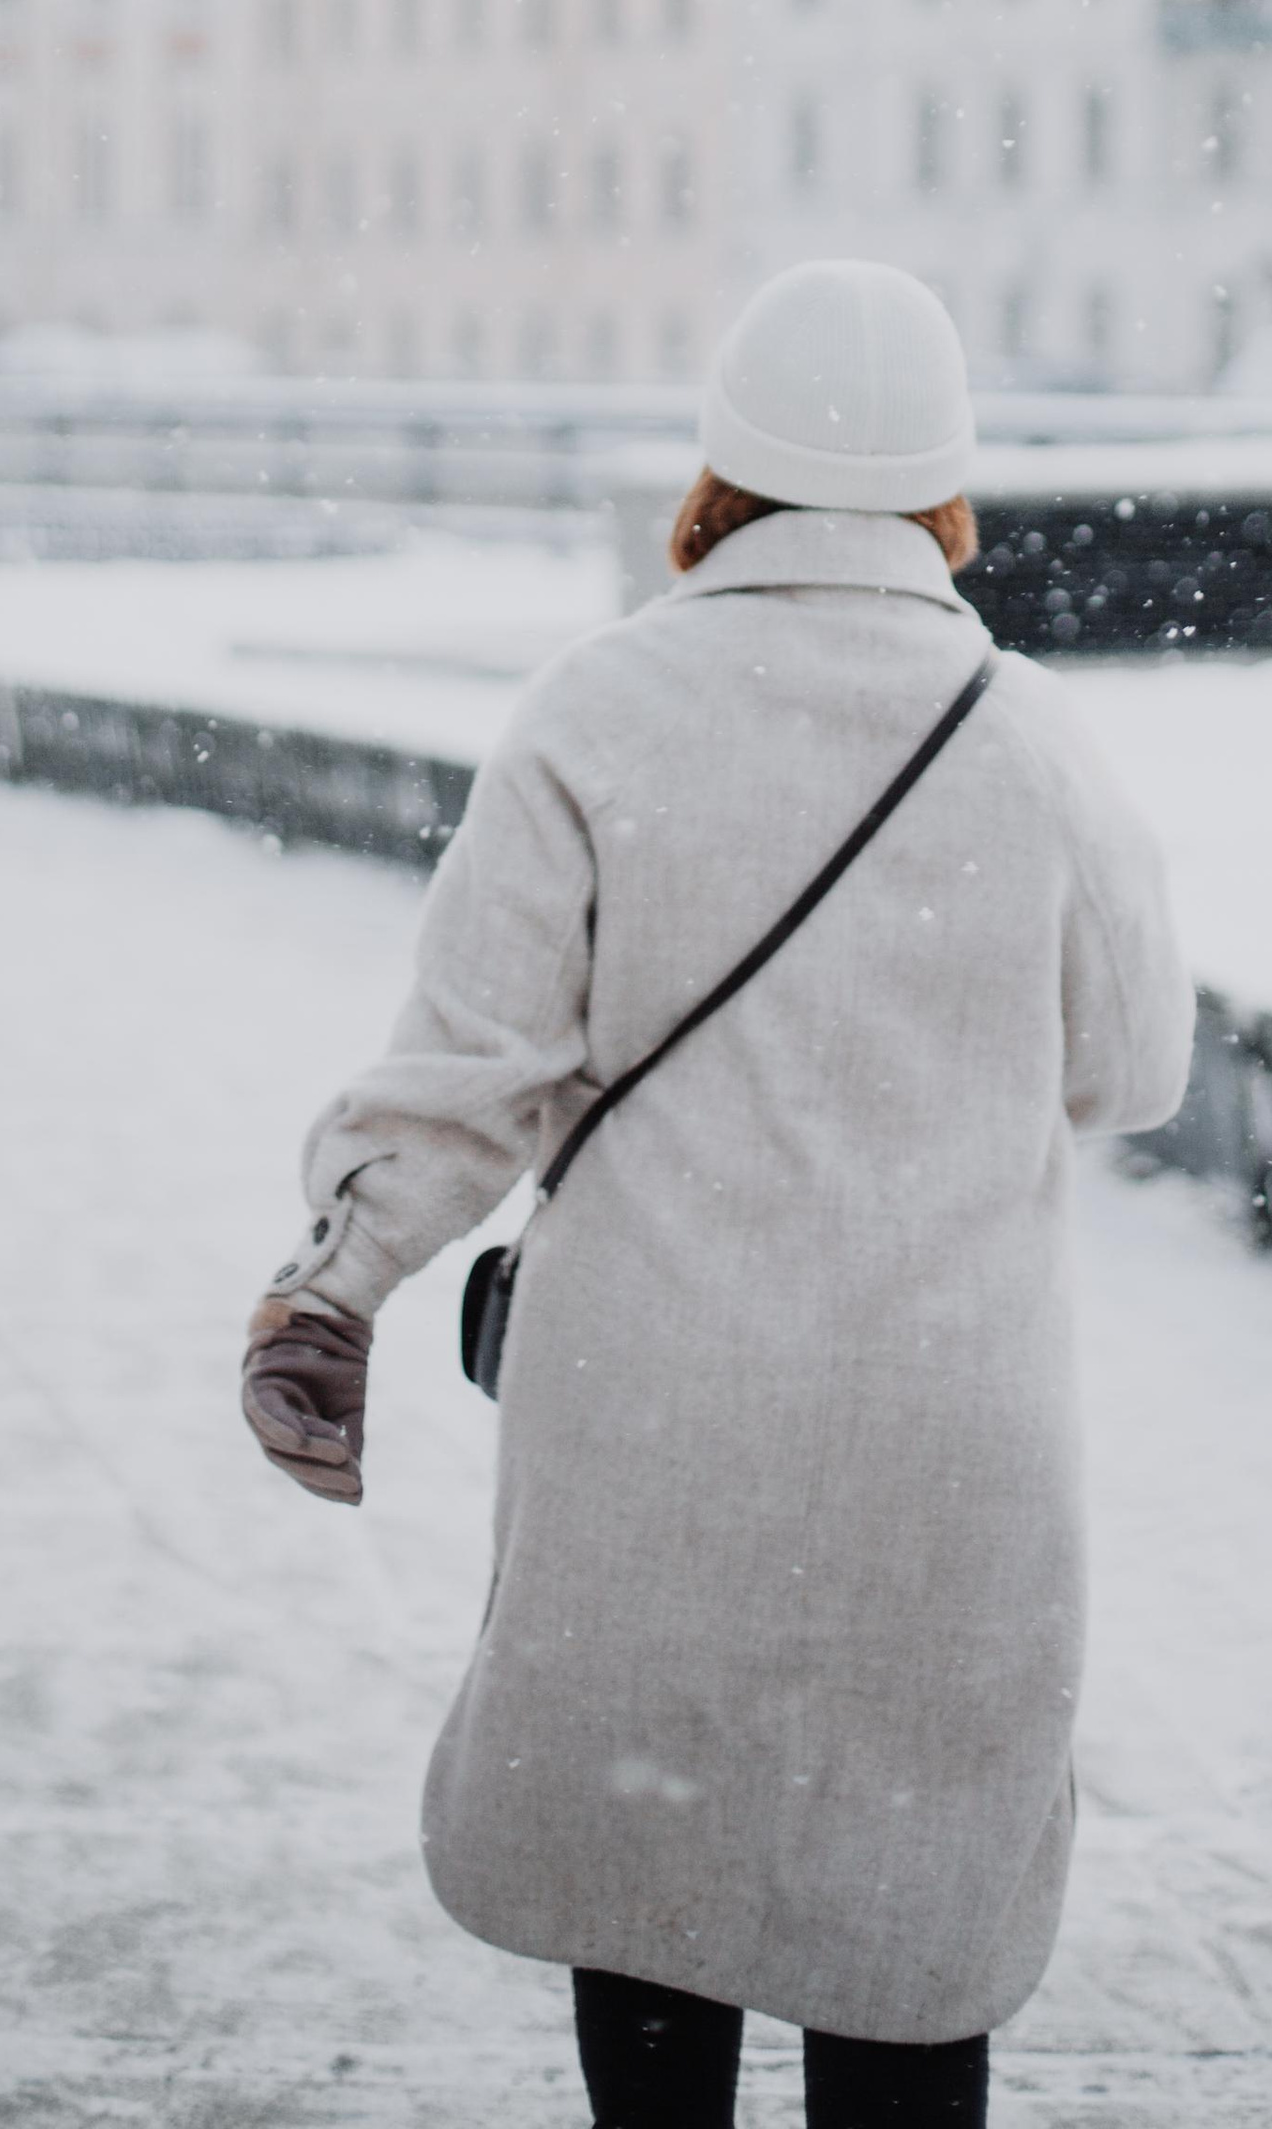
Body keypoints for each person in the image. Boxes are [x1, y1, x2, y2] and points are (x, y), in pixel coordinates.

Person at [241, 258, 1194, 2129]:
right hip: (942, 1434)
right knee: (908, 1929)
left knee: (649, 1887)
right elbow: (1133, 1070)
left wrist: (333, 1285)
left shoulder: (599, 709)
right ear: (945, 486)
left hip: (653, 1417)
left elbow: (470, 1067)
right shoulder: (1029, 737)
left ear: (721, 468)